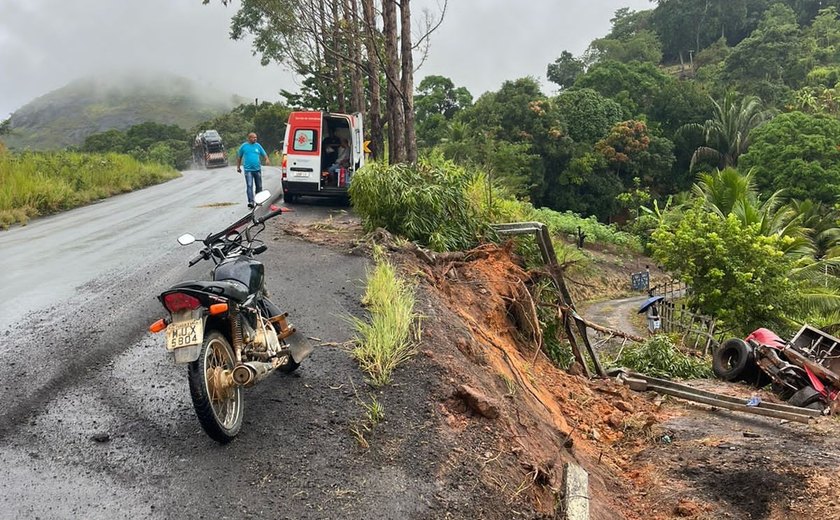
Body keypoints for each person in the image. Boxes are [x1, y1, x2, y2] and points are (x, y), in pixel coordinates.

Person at [236, 132, 269, 208]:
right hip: (248, 170)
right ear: (249, 138)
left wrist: (266, 159)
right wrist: (238, 167)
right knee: (249, 185)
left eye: (256, 137)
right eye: (253, 137)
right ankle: (251, 201)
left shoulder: (258, 146)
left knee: (259, 186)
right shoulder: (244, 146)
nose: (255, 139)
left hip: (257, 169)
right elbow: (239, 157)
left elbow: (264, 154)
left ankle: (259, 200)